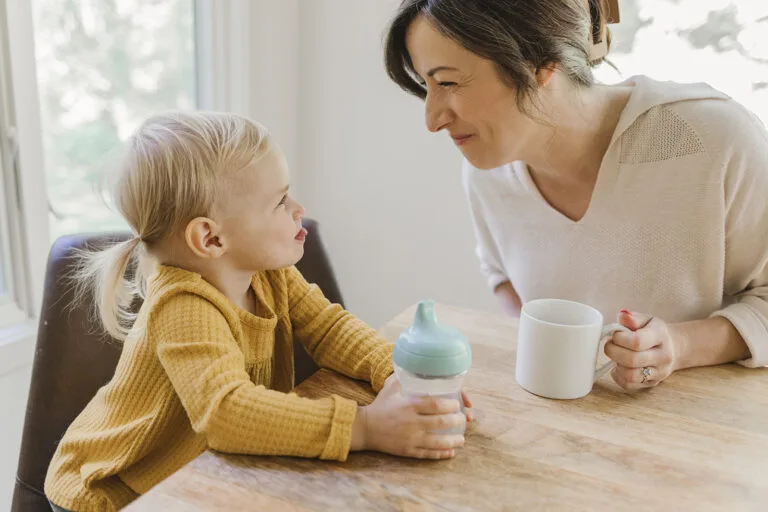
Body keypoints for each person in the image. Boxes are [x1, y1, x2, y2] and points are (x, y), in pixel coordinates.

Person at [44, 112, 471, 512]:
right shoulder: (183, 307)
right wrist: (366, 427)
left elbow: (329, 328)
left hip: (191, 473)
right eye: (280, 201)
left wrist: (398, 375)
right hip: (110, 491)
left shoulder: (269, 275)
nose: (299, 209)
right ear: (211, 239)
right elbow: (226, 414)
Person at [384, 0, 768, 392]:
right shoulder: (487, 173)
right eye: (426, 86)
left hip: (705, 419)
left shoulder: (714, 140)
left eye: (447, 83)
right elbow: (500, 273)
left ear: (539, 62)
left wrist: (680, 345)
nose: (432, 120)